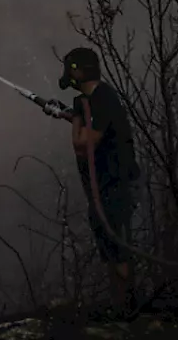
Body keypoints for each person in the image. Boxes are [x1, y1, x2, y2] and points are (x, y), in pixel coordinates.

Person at [60, 46, 140, 315]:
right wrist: (75, 115)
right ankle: (120, 308)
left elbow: (83, 145)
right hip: (104, 187)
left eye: (72, 69)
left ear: (80, 71)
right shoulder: (93, 102)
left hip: (114, 184)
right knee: (108, 242)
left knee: (116, 244)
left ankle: (127, 311)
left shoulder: (103, 98)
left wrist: (76, 119)